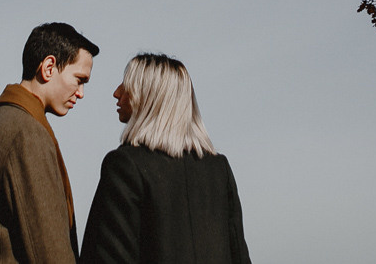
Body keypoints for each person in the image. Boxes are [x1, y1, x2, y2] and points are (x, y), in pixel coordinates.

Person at [80, 54, 251, 264]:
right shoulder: (218, 169)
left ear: (148, 96)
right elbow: (239, 256)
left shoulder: (124, 165)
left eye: (127, 85)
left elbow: (109, 256)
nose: (117, 92)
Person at [0, 22, 100, 264]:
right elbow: (49, 251)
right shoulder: (25, 134)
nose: (81, 92)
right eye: (79, 79)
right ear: (49, 67)